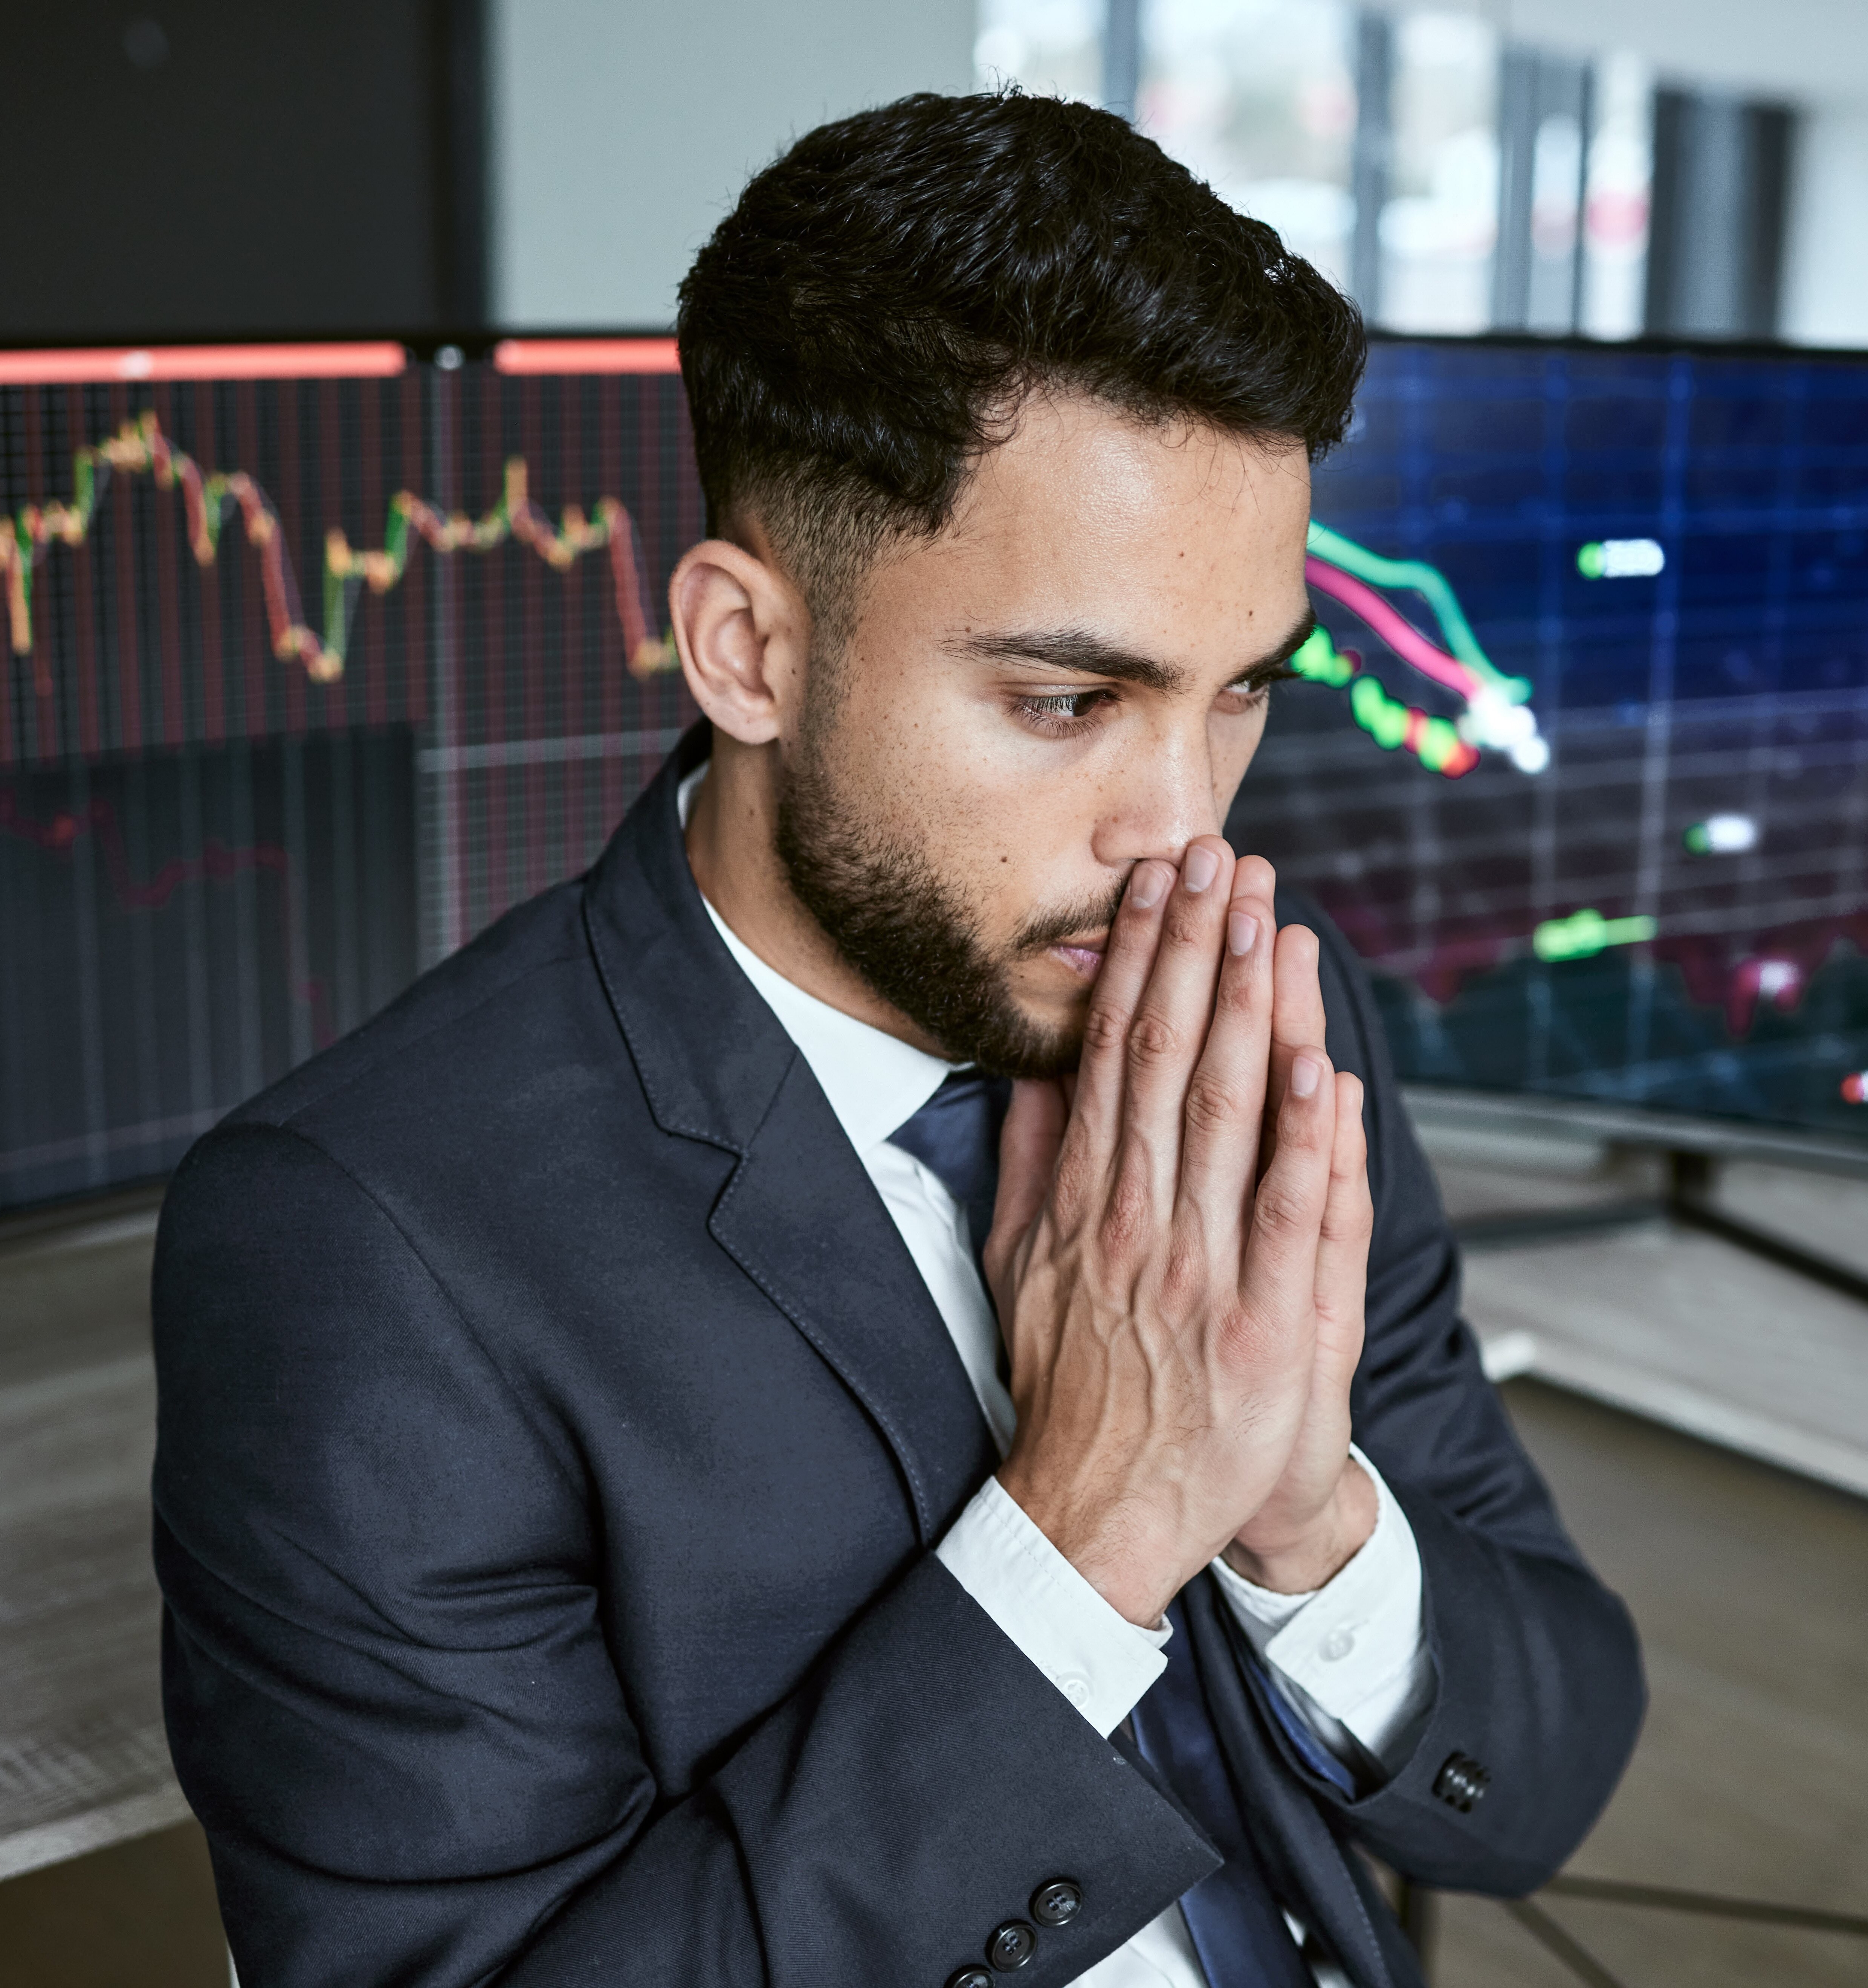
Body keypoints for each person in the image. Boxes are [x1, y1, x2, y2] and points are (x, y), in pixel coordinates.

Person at [151, 90, 1644, 1988]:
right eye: (1065, 701)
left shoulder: (1255, 1022)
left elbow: (1545, 1778)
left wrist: (1299, 1514)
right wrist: (1091, 1531)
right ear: (748, 651)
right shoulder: (366, 1249)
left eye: (1241, 694)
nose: (1184, 834)